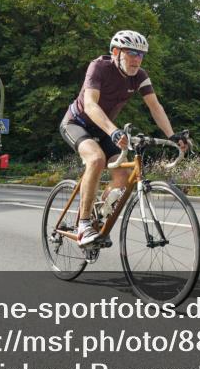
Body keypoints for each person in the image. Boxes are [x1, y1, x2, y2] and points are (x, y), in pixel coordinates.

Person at [59, 30, 190, 245]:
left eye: (141, 55)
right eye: (131, 53)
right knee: (96, 159)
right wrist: (113, 131)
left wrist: (172, 135)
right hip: (77, 123)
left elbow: (155, 107)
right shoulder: (99, 67)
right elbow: (91, 105)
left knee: (123, 176)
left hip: (104, 129)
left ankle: (98, 218)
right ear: (116, 52)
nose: (137, 59)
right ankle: (83, 224)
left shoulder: (140, 76)